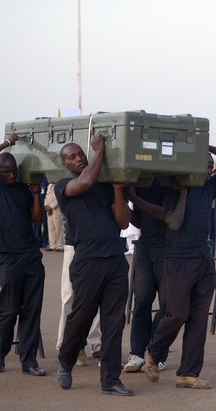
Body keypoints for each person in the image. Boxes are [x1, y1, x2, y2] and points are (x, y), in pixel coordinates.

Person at [143, 145, 216, 389]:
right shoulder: (173, 189)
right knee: (177, 314)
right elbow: (173, 223)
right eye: (202, 166)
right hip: (178, 260)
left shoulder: (211, 186)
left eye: (209, 167)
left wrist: (206, 145)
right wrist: (183, 194)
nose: (208, 170)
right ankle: (153, 353)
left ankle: (188, 374)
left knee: (198, 318)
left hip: (203, 258)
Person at [55, 134, 133, 396]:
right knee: (81, 318)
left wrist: (118, 190)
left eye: (81, 154)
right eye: (72, 157)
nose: (78, 158)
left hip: (115, 261)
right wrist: (100, 150)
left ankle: (110, 380)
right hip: (87, 263)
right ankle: (66, 362)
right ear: (65, 165)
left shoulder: (104, 186)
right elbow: (86, 180)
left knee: (113, 323)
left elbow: (123, 223)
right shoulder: (64, 186)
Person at [0, 134, 46, 376]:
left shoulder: (23, 191)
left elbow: (37, 219)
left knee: (32, 310)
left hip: (31, 256)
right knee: (8, 309)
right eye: (6, 172)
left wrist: (36, 192)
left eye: (13, 171)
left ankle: (28, 361)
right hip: (7, 258)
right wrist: (7, 143)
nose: (11, 175)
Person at [122, 178, 169, 373]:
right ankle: (138, 353)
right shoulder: (141, 179)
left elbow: (166, 215)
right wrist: (125, 201)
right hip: (145, 245)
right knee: (141, 300)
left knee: (167, 303)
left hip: (169, 246)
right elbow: (140, 220)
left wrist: (133, 197)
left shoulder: (170, 179)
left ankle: (156, 353)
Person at [56, 216, 102, 366]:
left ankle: (98, 344)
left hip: (101, 240)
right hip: (75, 240)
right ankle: (69, 344)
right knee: (70, 295)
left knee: (103, 293)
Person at [44, 182, 64, 251]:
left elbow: (59, 198)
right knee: (51, 228)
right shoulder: (49, 185)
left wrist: (51, 206)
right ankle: (52, 245)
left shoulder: (59, 185)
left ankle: (60, 245)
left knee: (58, 228)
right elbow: (46, 196)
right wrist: (46, 205)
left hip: (56, 210)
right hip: (49, 210)